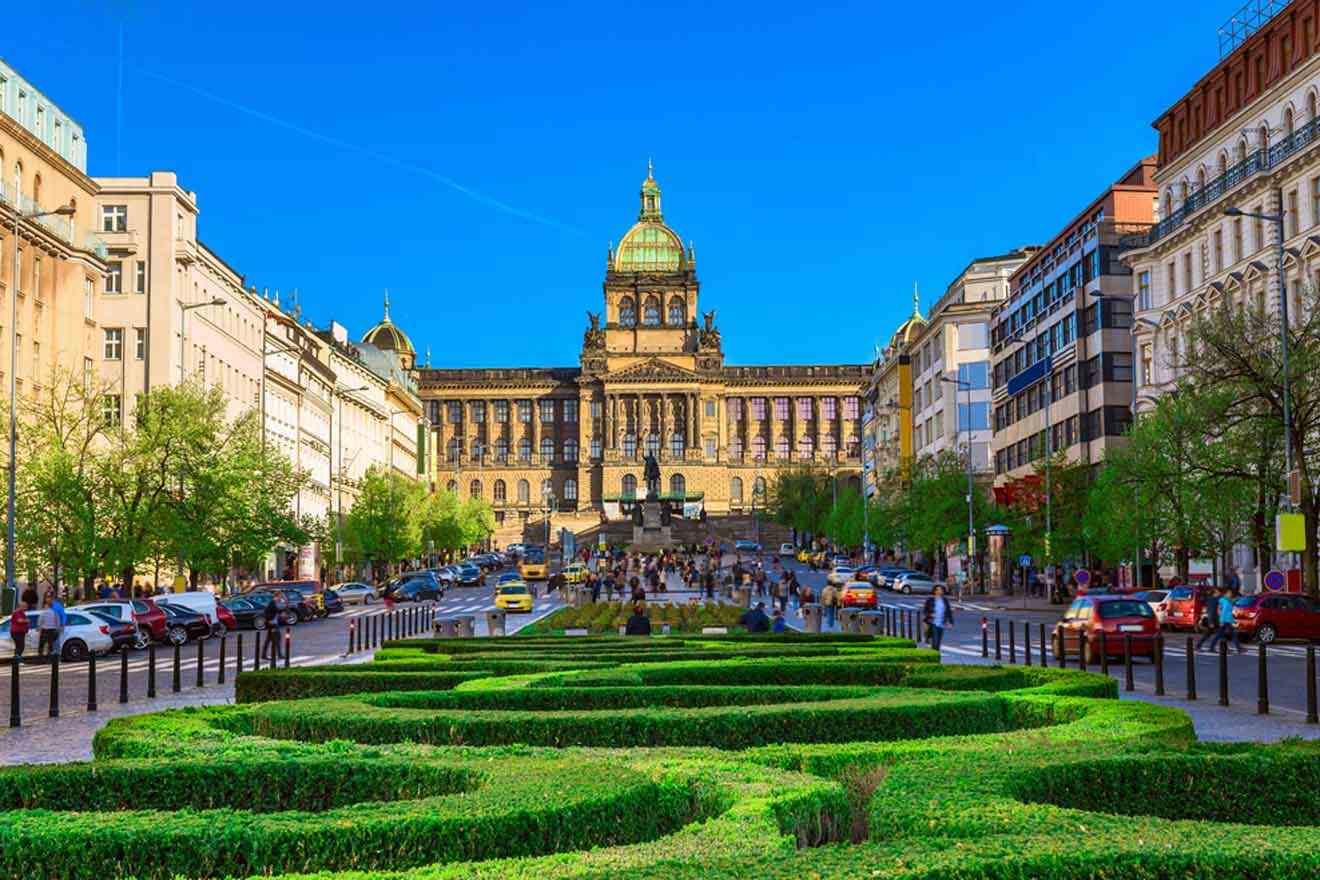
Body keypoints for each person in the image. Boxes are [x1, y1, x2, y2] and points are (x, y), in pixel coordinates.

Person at [1204, 587, 1244, 654]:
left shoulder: (1229, 601)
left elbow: (1230, 609)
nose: (1230, 594)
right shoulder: (1222, 600)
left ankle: (1213, 647)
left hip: (1228, 620)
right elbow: (1220, 611)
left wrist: (1233, 620)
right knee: (1231, 635)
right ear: (1225, 594)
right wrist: (1221, 620)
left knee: (1223, 635)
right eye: (1229, 593)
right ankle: (1238, 648)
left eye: (1231, 593)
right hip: (1224, 620)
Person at [923, 584, 955, 651]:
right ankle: (934, 653)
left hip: (942, 623)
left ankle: (935, 652)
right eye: (937, 590)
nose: (939, 591)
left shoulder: (945, 600)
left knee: (938, 641)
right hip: (932, 623)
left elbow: (948, 611)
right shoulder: (930, 600)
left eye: (941, 590)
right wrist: (930, 614)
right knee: (935, 640)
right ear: (934, 591)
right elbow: (925, 611)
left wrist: (951, 622)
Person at [1195, 586, 1220, 651]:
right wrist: (1211, 622)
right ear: (1214, 593)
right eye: (1217, 592)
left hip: (1213, 620)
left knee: (1208, 634)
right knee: (1218, 634)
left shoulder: (1212, 599)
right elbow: (1211, 611)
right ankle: (1210, 647)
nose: (1219, 593)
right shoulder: (1213, 600)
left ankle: (1199, 646)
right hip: (1213, 620)